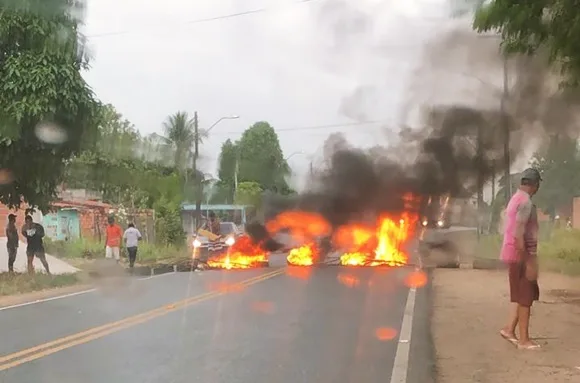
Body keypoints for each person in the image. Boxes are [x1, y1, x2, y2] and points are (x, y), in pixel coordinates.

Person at [499, 168, 541, 350]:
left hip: (511, 252)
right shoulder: (526, 203)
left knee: (523, 294)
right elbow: (518, 233)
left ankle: (509, 329)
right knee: (525, 297)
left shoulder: (515, 198)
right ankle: (524, 340)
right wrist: (528, 261)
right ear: (535, 185)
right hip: (521, 254)